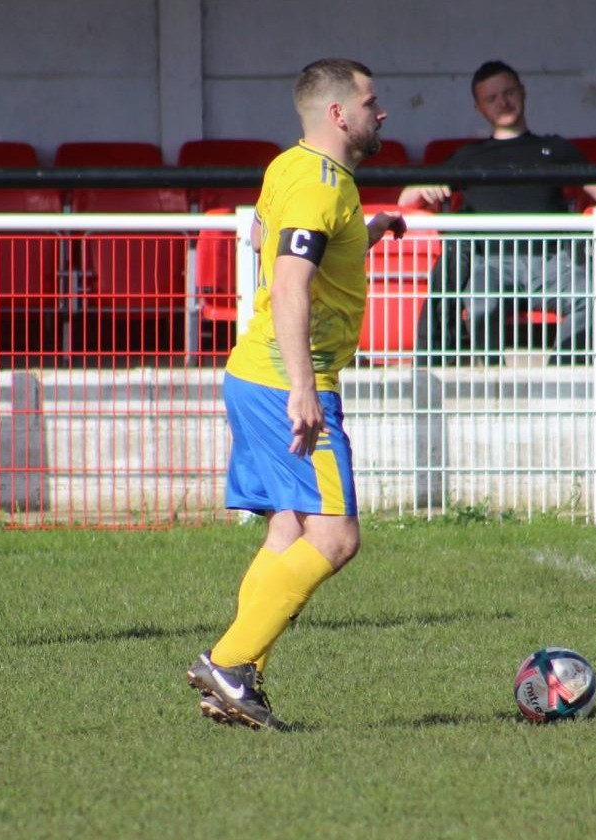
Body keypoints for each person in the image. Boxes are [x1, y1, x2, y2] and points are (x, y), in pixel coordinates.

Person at [187, 58, 404, 730]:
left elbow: (269, 241)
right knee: (336, 537)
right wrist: (306, 390)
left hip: (255, 373)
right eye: (371, 101)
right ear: (339, 114)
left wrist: (368, 235)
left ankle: (239, 678)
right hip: (287, 379)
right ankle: (229, 660)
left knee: (288, 527)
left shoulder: (293, 168)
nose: (381, 112)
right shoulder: (319, 185)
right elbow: (287, 284)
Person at [399, 60, 596, 365]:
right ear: (479, 107)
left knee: (590, 299)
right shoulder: (467, 157)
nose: (502, 102)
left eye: (508, 92)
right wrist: (422, 190)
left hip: (552, 258)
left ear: (522, 92)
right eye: (491, 98)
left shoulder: (555, 148)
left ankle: (563, 385)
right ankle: (494, 389)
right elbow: (406, 198)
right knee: (480, 304)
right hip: (489, 261)